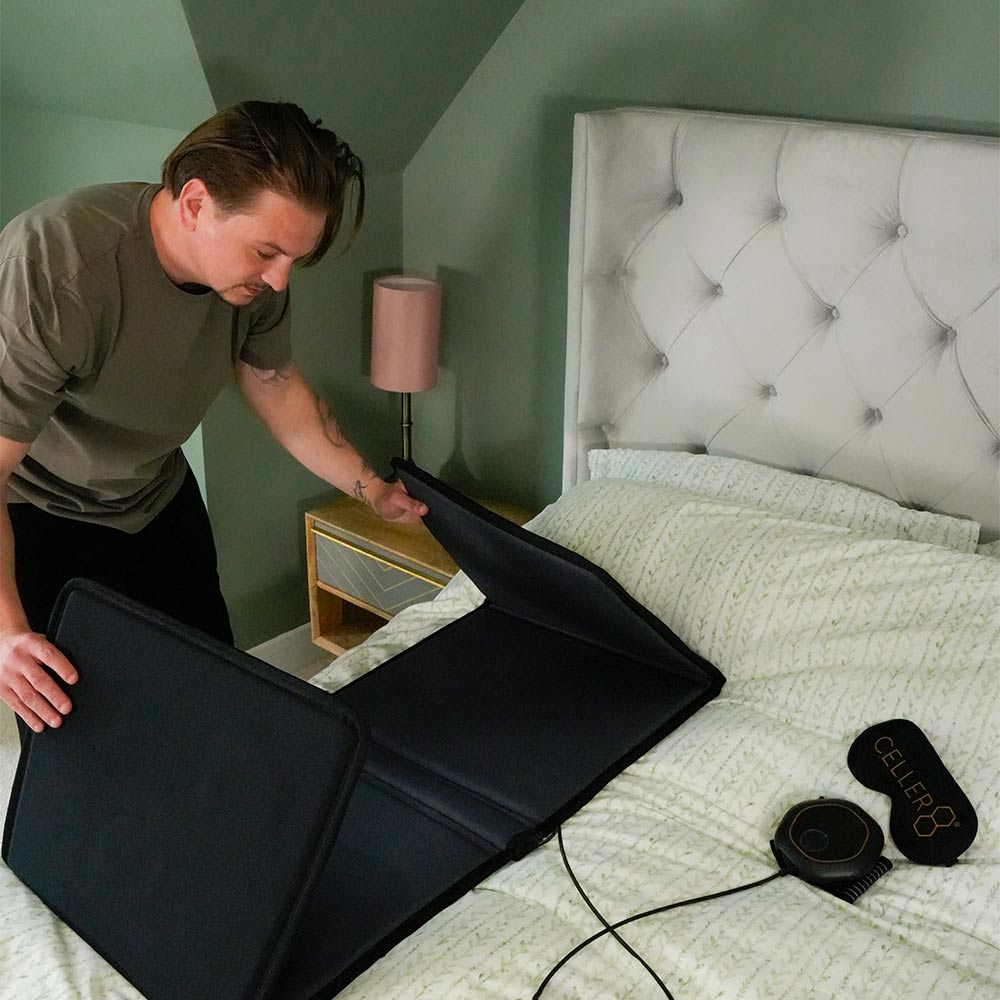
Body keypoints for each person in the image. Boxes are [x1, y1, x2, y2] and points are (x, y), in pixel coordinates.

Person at [0, 100, 427, 736]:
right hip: (41, 511)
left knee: (215, 692)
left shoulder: (252, 285)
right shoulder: (60, 268)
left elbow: (276, 384)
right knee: (92, 730)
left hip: (154, 494)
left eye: (293, 260)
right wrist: (8, 633)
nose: (280, 281)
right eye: (267, 252)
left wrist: (369, 489)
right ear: (195, 203)